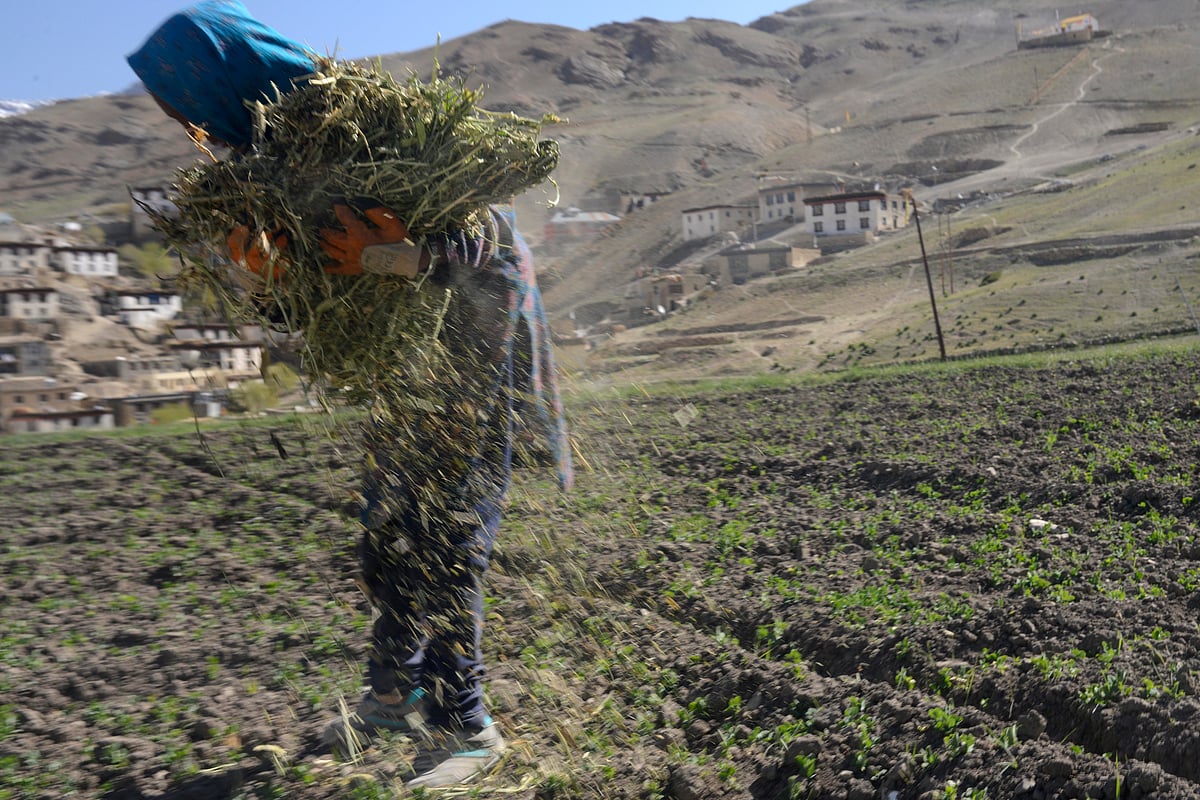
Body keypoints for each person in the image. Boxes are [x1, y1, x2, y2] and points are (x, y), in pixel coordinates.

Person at [127, 1, 573, 789]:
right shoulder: (258, 172)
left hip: (472, 364)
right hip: (405, 374)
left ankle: (467, 727)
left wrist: (389, 259)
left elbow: (490, 241)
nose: (183, 127)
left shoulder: (369, 129)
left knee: (447, 546)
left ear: (219, 83)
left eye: (183, 107)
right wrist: (266, 282)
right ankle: (392, 694)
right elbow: (320, 296)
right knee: (388, 540)